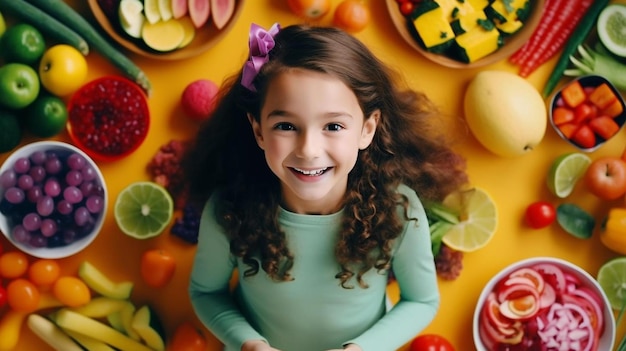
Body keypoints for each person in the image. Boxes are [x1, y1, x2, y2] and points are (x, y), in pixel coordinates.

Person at [183, 22, 468, 351]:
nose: (308, 149)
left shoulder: (399, 210)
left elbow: (421, 301)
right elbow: (206, 292)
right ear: (259, 130)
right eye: (286, 126)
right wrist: (248, 343)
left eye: (333, 125)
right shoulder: (229, 209)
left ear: (367, 129)